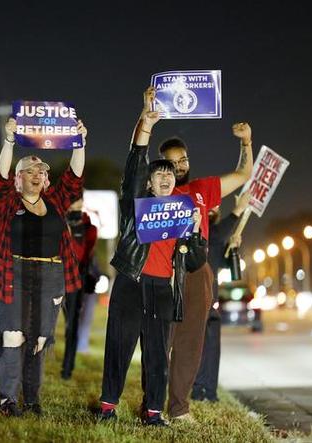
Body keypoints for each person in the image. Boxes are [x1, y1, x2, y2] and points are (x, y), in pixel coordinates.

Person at [98, 88, 206, 426]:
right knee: (119, 346)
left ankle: (153, 412)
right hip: (132, 282)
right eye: (158, 173)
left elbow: (192, 262)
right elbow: (135, 162)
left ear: (175, 183)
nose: (164, 177)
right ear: (149, 183)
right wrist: (145, 123)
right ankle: (107, 408)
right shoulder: (135, 206)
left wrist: (194, 233)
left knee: (158, 355)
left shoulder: (182, 214)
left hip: (162, 289)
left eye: (170, 174)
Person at [0, 117, 86, 417]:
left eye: (40, 170)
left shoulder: (55, 199)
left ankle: (32, 398)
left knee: (39, 340)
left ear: (46, 179)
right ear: (18, 179)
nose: (35, 174)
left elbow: (74, 177)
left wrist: (79, 142)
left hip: (51, 275)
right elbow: (0, 178)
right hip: (12, 274)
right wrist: (8, 140)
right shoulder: (6, 202)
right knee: (13, 335)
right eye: (27, 171)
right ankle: (8, 398)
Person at [159, 106, 253, 421]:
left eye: (183, 159)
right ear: (161, 165)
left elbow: (242, 175)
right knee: (160, 340)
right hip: (162, 270)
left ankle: (179, 408)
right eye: (172, 162)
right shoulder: (155, 191)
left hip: (197, 272)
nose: (180, 166)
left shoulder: (202, 189)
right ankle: (153, 405)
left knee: (189, 343)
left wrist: (246, 143)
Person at [192, 191, 250, 402]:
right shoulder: (202, 231)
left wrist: (233, 248)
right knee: (198, 348)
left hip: (212, 300)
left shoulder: (217, 237)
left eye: (217, 207)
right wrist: (237, 211)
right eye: (211, 206)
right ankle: (197, 391)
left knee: (213, 348)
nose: (215, 210)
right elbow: (217, 235)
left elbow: (228, 266)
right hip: (196, 298)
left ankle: (211, 392)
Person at [61, 198, 97, 379]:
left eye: (77, 200)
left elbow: (83, 254)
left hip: (75, 278)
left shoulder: (88, 227)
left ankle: (67, 368)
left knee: (72, 324)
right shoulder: (56, 218)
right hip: (55, 275)